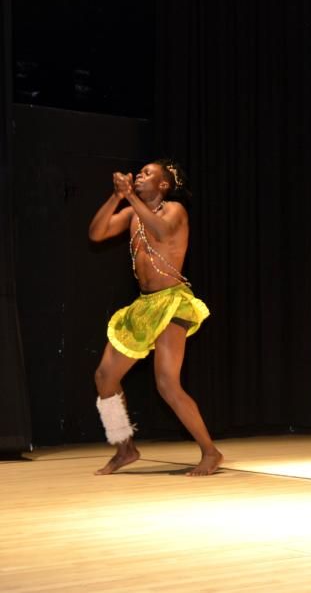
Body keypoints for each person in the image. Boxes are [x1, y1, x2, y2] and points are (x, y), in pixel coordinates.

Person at [87, 159, 223, 476]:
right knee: (104, 377)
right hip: (144, 305)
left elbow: (161, 232)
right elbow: (96, 233)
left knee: (166, 383)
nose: (140, 176)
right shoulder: (132, 212)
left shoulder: (175, 210)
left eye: (147, 174)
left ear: (163, 185)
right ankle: (125, 448)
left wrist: (130, 198)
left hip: (173, 302)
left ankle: (210, 451)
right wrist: (116, 197)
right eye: (140, 173)